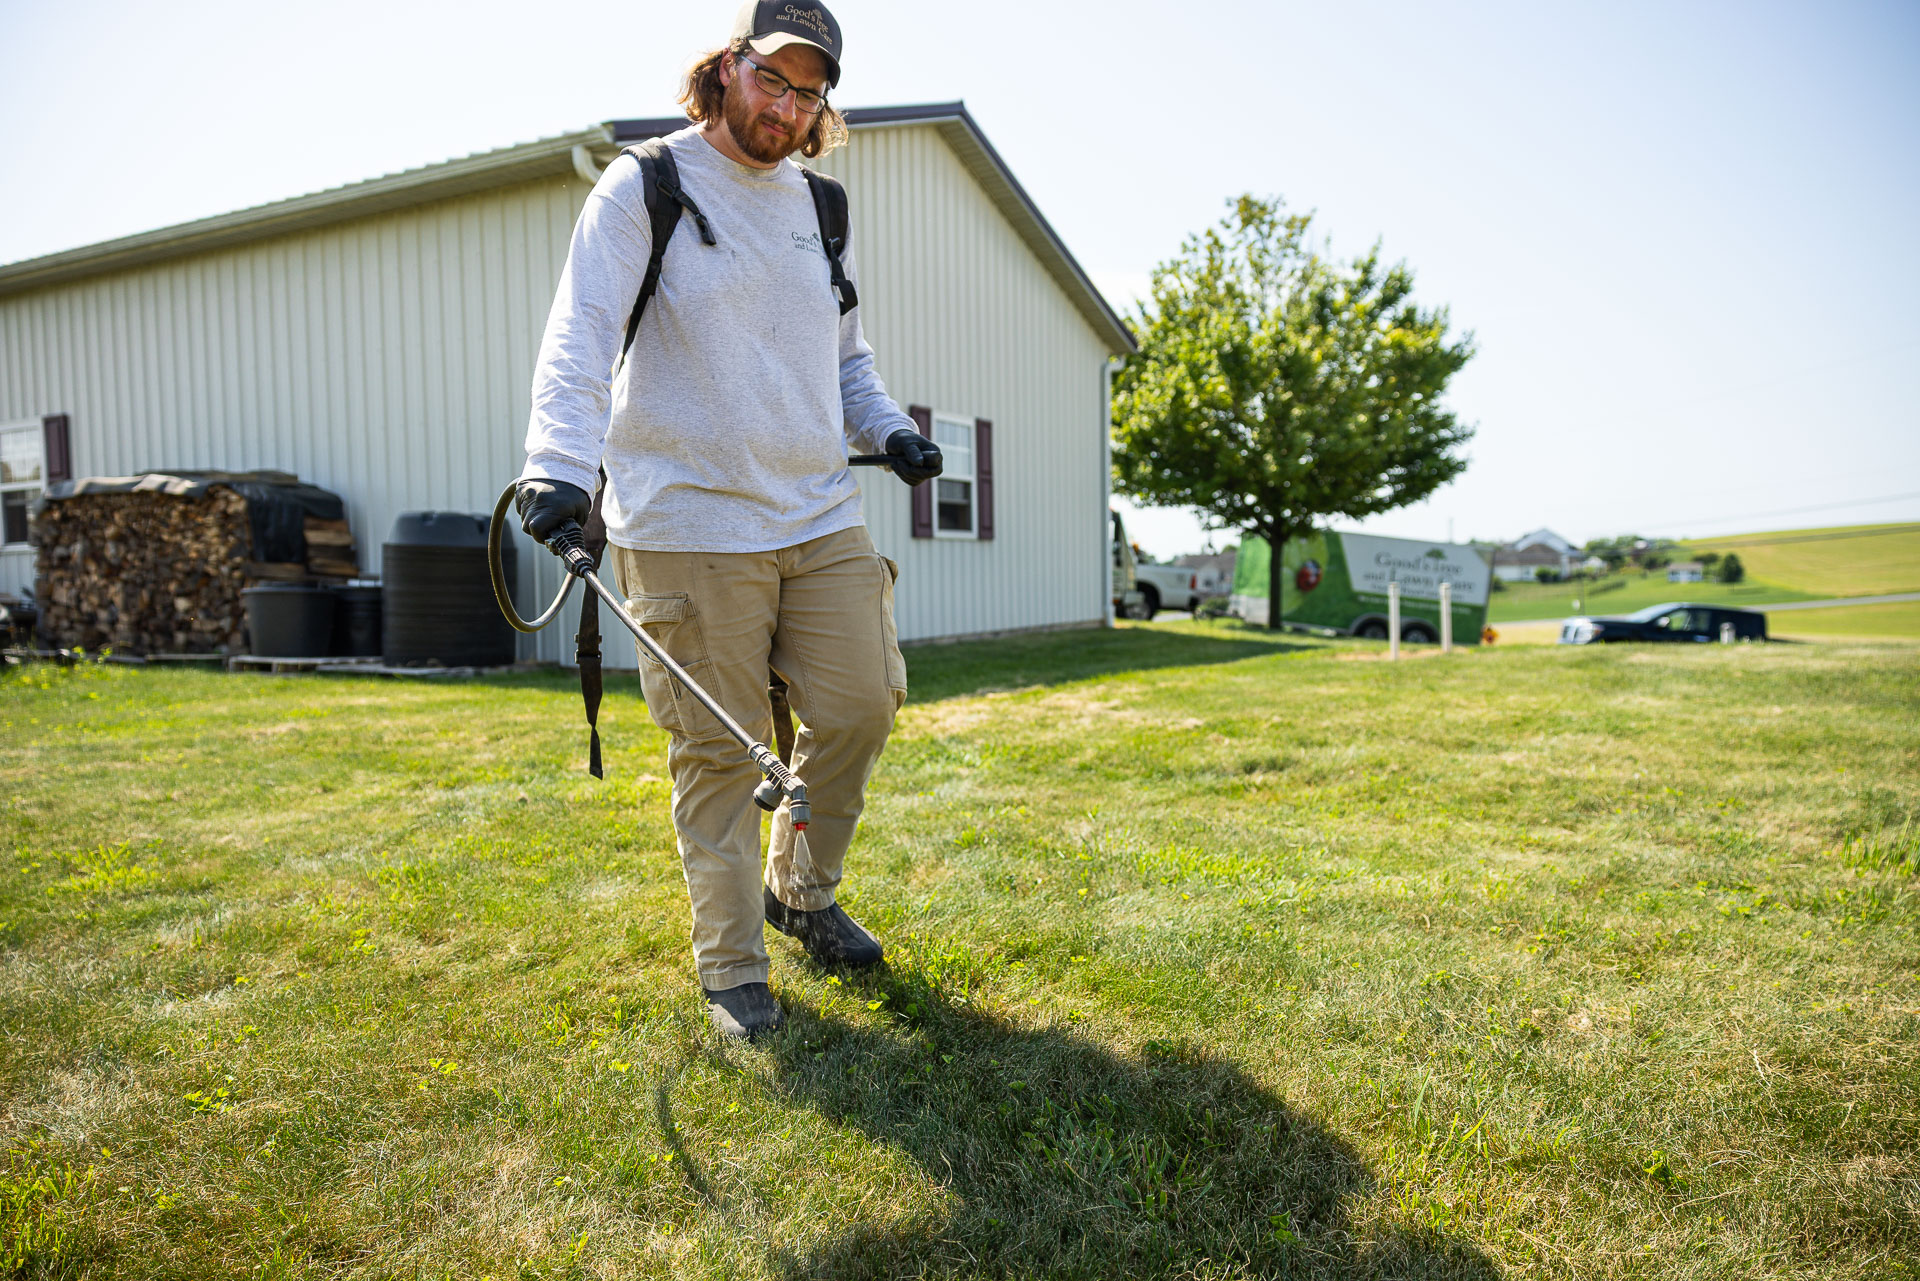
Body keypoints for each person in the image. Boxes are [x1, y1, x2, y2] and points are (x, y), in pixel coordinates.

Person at [513, 0, 941, 1041]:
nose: (786, 107)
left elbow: (844, 361)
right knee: (719, 752)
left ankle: (801, 892)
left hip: (817, 510)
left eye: (810, 92)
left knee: (859, 710)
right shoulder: (645, 186)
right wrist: (556, 469)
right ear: (729, 65)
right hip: (687, 520)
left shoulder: (820, 208)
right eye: (771, 79)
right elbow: (580, 337)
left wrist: (889, 432)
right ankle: (732, 968)